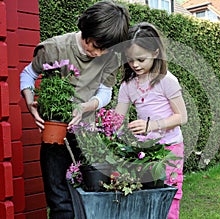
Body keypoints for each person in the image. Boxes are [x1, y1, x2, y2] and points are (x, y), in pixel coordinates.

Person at [20, 1, 130, 218]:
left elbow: (105, 92)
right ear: (86, 32)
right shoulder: (54, 48)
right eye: (97, 46)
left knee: (94, 195)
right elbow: (28, 74)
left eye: (106, 49)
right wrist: (31, 105)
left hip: (88, 135)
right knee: (61, 202)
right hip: (55, 133)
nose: (100, 53)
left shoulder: (110, 56)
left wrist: (84, 107)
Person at [115, 22, 188, 219]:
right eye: (130, 60)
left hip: (170, 148)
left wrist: (151, 126)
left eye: (140, 59)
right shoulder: (128, 85)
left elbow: (182, 116)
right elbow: (117, 119)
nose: (135, 65)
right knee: (144, 193)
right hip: (144, 150)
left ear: (155, 53)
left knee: (170, 193)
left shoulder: (166, 80)